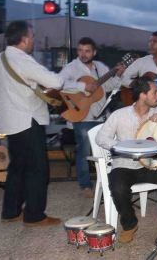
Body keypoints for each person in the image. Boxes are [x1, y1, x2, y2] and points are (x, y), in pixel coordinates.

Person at [96, 77, 157, 243]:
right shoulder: (119, 115)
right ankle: (129, 224)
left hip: (154, 165)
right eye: (155, 92)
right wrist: (125, 146)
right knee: (117, 186)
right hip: (126, 164)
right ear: (142, 95)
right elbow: (101, 138)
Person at [0, 21, 64, 226]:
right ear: (24, 39)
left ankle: (10, 211)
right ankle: (34, 215)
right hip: (27, 120)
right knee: (37, 169)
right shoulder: (22, 59)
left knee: (17, 168)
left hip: (9, 121)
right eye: (32, 37)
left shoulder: (0, 58)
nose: (33, 40)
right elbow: (56, 82)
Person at [59, 37, 125, 197]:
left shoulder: (100, 67)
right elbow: (59, 83)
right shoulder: (71, 68)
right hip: (81, 115)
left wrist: (118, 75)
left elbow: (110, 86)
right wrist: (82, 86)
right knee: (84, 151)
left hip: (100, 115)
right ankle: (85, 185)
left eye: (87, 51)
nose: (83, 54)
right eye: (80, 50)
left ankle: (109, 181)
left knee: (106, 150)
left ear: (94, 52)